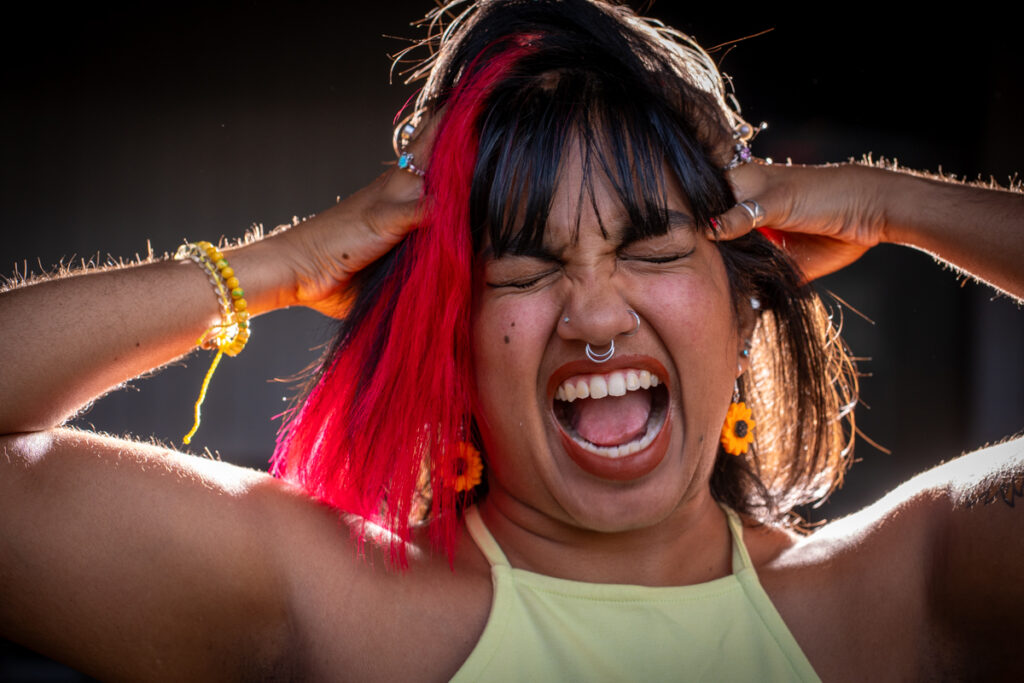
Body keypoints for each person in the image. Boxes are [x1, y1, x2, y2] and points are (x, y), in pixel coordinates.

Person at [1, 0, 1021, 679]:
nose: (595, 315)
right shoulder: (326, 603)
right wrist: (283, 263)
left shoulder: (901, 596)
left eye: (652, 250)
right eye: (524, 267)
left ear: (743, 300)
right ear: (449, 331)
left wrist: (888, 204)